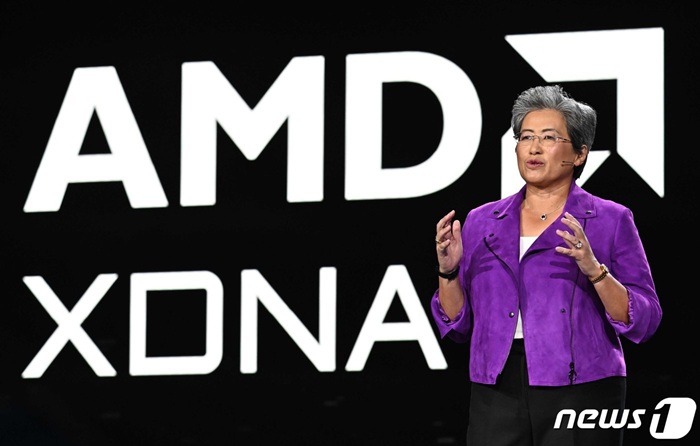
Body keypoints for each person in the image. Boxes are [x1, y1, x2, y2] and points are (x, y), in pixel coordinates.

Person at [431, 84, 662, 446]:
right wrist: (448, 272)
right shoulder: (481, 222)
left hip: (583, 385)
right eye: (526, 137)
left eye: (549, 137)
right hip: (497, 386)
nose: (534, 148)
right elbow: (458, 326)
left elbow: (644, 319)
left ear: (580, 154)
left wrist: (594, 270)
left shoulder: (610, 219)